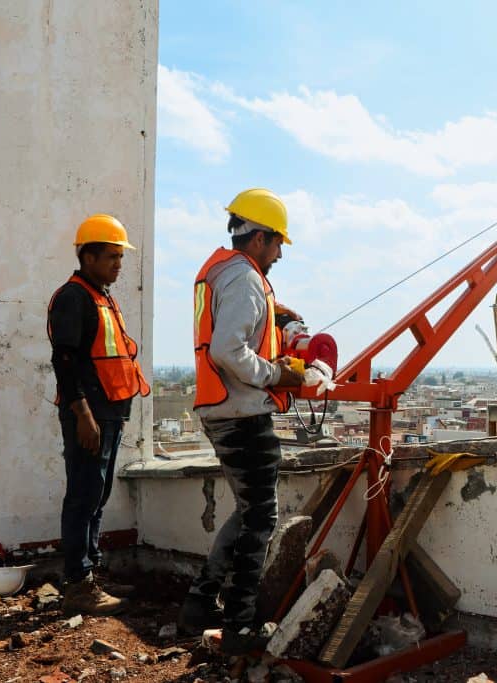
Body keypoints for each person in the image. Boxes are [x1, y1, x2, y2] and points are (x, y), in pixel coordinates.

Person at [177, 188, 303, 653]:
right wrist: (278, 375)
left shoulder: (222, 271)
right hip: (242, 414)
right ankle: (240, 627)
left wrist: (275, 315)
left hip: (222, 410)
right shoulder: (245, 279)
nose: (280, 255)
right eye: (278, 244)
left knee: (249, 511)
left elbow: (229, 332)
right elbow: (228, 350)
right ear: (260, 238)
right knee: (261, 519)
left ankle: (200, 602)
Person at [47, 214, 150, 615]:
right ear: (88, 257)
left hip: (108, 413)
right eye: (111, 257)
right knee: (83, 495)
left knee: (97, 495)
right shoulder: (74, 297)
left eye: (120, 257)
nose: (118, 264)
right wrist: (83, 415)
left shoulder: (100, 295)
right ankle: (78, 584)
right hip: (89, 415)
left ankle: (90, 572)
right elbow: (65, 361)